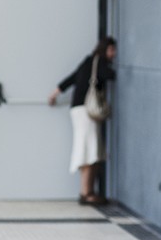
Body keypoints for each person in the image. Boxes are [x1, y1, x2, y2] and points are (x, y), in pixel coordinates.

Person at [48, 37, 116, 205]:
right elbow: (110, 75)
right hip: (86, 111)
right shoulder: (99, 62)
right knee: (89, 150)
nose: (114, 54)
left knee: (88, 149)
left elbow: (72, 78)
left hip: (78, 110)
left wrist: (55, 93)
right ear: (105, 49)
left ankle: (86, 191)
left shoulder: (88, 61)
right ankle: (86, 192)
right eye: (112, 50)